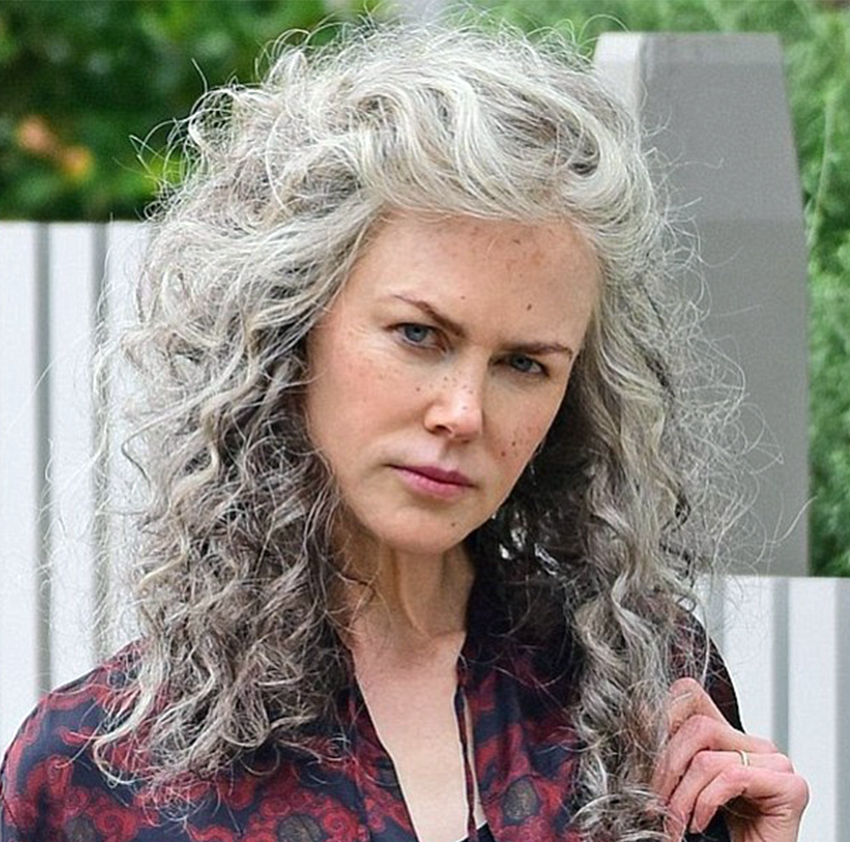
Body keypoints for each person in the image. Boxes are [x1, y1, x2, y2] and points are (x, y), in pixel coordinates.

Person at [0, 21, 808, 842]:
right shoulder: (94, 772)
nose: (463, 412)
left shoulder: (635, 690)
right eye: (420, 335)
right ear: (288, 327)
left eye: (524, 364)